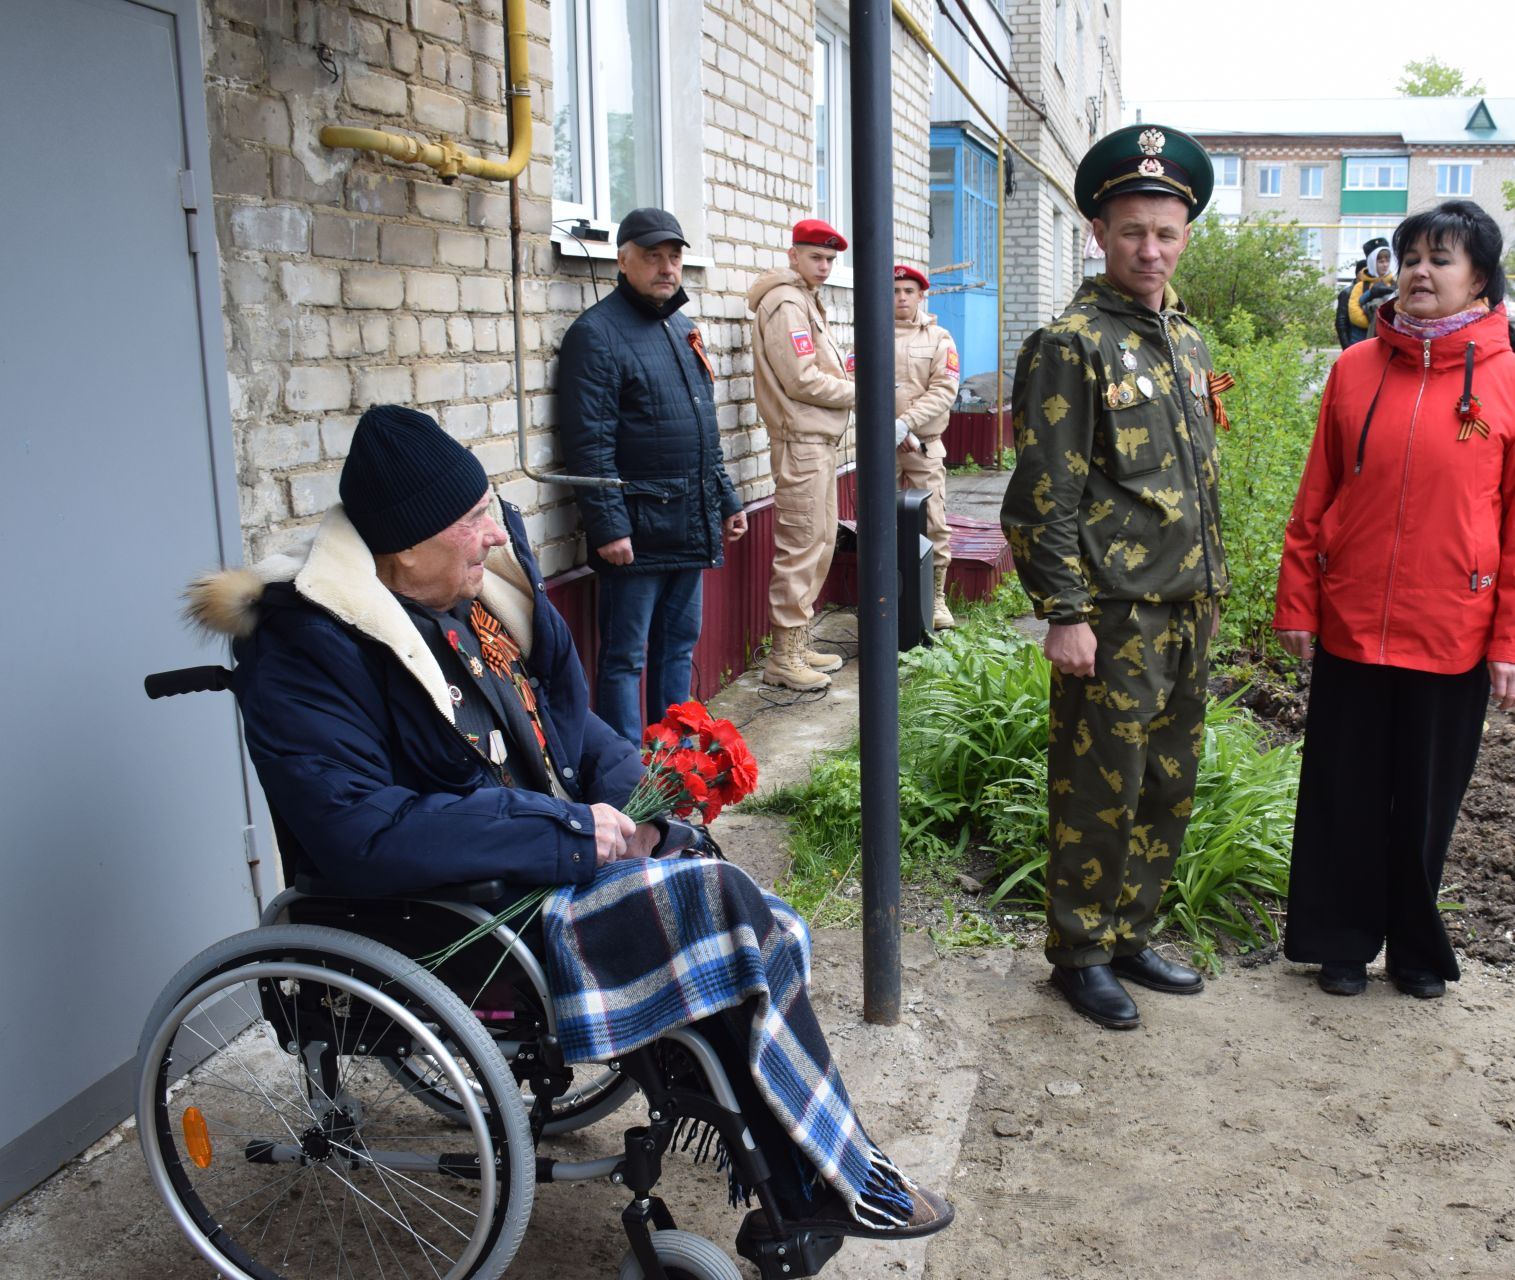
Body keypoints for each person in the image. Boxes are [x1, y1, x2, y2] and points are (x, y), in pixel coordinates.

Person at [184, 404, 952, 1242]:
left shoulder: (481, 597)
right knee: (722, 912)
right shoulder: (311, 648)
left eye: (486, 510)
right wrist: (566, 833)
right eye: (471, 520)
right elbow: (361, 833)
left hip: (541, 862)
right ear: (402, 550)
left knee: (711, 883)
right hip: (465, 905)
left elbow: (571, 726)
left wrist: (643, 807)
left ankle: (796, 1157)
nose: (493, 534)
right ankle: (814, 1177)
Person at [1273, 200, 1515, 1001]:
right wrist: (1298, 601)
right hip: (1354, 618)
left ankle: (1416, 949)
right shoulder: (1354, 369)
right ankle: (1341, 942)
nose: (1420, 272)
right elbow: (1316, 492)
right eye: (1411, 257)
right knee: (1343, 790)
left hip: (1453, 626)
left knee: (1426, 802)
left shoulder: (1508, 383)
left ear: (1481, 279)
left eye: (1442, 259)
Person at [1001, 123, 1228, 1030]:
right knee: (1099, 788)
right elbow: (1041, 495)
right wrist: (1064, 611)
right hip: (1114, 613)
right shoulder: (1072, 343)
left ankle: (1132, 929)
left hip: (1188, 606)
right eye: (1133, 230)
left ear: (1185, 234)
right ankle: (1079, 952)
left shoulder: (1186, 338)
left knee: (1167, 782)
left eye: (1167, 232)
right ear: (1099, 232)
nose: (1151, 249)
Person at [555, 208, 747, 744]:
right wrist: (609, 526)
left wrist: (727, 499)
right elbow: (588, 443)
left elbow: (703, 428)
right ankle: (625, 772)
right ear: (623, 260)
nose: (666, 267)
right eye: (652, 256)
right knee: (625, 656)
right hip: (635, 532)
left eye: (674, 256)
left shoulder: (681, 327)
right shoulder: (596, 334)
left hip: (689, 522)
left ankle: (677, 761)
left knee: (679, 645)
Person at [748, 218, 857, 691]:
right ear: (793, 255)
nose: (826, 266)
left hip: (817, 442)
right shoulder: (787, 302)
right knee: (801, 545)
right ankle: (784, 658)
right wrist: (858, 391)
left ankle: (799, 640)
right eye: (817, 257)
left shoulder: (806, 299)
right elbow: (801, 379)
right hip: (801, 443)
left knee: (819, 542)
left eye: (831, 259)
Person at [878, 264, 961, 629]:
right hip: (880, 447)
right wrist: (888, 429)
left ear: (920, 295)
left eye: (908, 291)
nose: (901, 297)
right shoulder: (872, 333)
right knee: (880, 521)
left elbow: (944, 388)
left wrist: (905, 424)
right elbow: (855, 382)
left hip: (923, 445)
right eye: (895, 291)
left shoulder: (939, 337)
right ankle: (882, 595)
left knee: (934, 521)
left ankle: (937, 599)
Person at [1335, 238, 1396, 349]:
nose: (1385, 265)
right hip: (1360, 342)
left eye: (1387, 261)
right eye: (1380, 261)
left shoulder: (1395, 284)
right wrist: (1376, 323)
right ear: (1372, 262)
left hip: (1387, 343)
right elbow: (1354, 315)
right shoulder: (1360, 286)